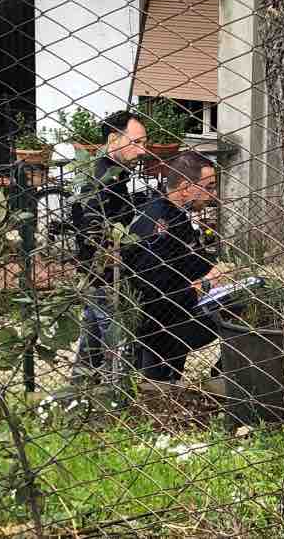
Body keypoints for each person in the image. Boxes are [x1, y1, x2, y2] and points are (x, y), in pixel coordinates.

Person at [123, 151, 221, 385]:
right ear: (186, 187)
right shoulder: (161, 222)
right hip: (160, 322)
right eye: (209, 186)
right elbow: (155, 286)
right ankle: (221, 380)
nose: (213, 195)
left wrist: (213, 268)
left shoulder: (172, 212)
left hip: (174, 312)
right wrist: (204, 285)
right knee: (234, 312)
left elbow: (184, 262)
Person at [71, 110, 147, 380]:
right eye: (137, 142)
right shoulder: (100, 176)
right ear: (114, 138)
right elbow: (92, 226)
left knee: (92, 334)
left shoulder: (116, 172)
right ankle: (118, 395)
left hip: (99, 271)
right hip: (103, 271)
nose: (142, 151)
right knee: (118, 340)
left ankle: (78, 387)